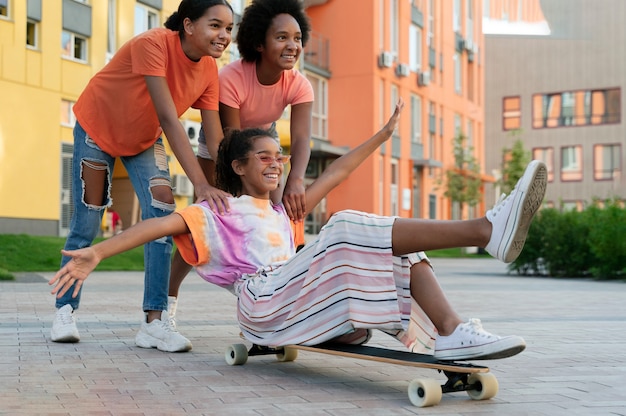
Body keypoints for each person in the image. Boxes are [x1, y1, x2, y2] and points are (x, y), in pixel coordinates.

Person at [50, 99, 548, 361]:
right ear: (240, 168)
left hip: (299, 296)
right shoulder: (219, 209)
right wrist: (99, 253)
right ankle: (485, 231)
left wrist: (383, 135)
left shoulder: (288, 209)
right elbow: (160, 226)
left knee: (395, 248)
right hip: (263, 306)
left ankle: (453, 332)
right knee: (347, 225)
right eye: (264, 158)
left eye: (280, 157)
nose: (276, 164)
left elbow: (338, 172)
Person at [50, 0, 235, 353]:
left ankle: (154, 322)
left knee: (163, 217)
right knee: (87, 221)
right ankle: (64, 311)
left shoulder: (210, 70)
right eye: (215, 25)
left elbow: (214, 139)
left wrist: (231, 181)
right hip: (96, 127)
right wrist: (199, 183)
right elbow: (169, 117)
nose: (223, 35)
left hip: (143, 139)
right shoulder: (153, 43)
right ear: (188, 25)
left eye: (229, 29)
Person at [167, 0, 314, 324]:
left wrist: (296, 180)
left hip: (264, 142)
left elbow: (302, 138)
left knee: (279, 218)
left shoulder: (299, 83)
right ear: (258, 43)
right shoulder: (233, 77)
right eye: (282, 37)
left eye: (297, 37)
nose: (292, 45)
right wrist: (233, 192)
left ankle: (280, 298)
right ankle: (168, 296)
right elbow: (229, 141)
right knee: (202, 226)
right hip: (222, 146)